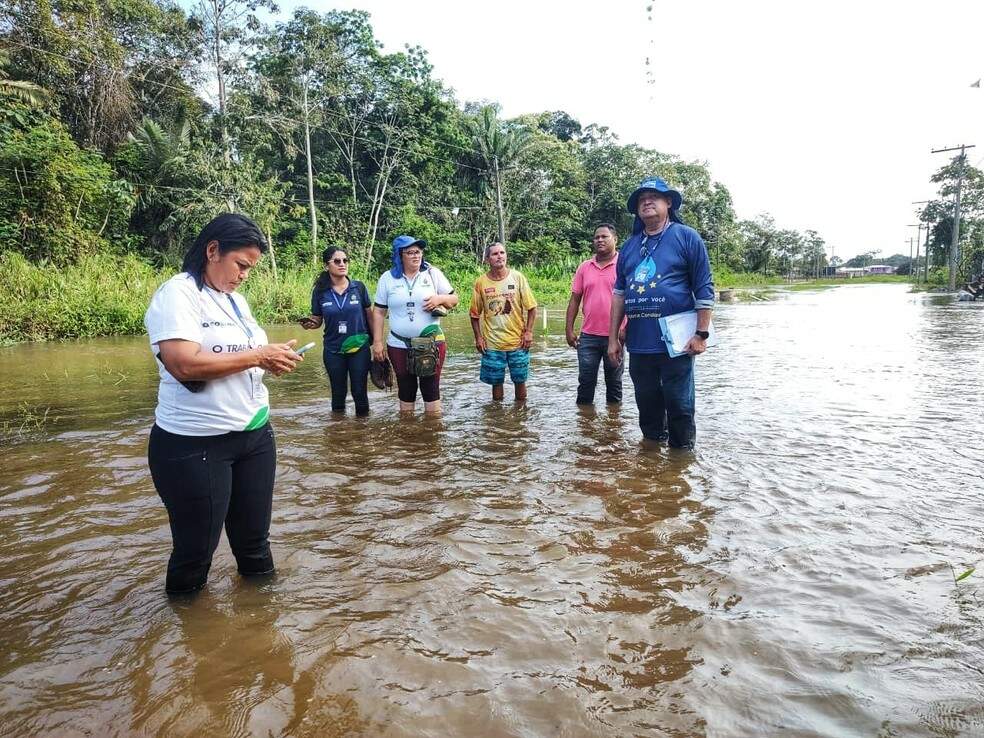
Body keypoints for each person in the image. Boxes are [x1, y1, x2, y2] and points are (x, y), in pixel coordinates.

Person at [144, 213, 303, 594]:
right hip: (196, 443)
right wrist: (258, 357)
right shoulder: (178, 294)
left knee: (255, 547)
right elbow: (183, 363)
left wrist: (270, 360)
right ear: (213, 250)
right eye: (241, 265)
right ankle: (186, 638)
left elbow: (240, 358)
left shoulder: (236, 302)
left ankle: (262, 628)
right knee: (195, 554)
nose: (244, 275)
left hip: (253, 437)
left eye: (250, 268)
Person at [607, 177, 715, 449]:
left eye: (654, 196)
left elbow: (704, 287)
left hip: (676, 344)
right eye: (642, 198)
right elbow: (620, 294)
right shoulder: (630, 246)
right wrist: (612, 340)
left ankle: (680, 465)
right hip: (640, 343)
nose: (647, 201)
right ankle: (652, 462)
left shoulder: (686, 237)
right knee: (647, 405)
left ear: (669, 202)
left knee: (679, 404)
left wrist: (701, 334)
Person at [371, 235, 458, 415]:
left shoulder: (433, 273)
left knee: (431, 388)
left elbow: (454, 299)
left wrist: (439, 298)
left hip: (431, 342)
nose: (416, 256)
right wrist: (377, 342)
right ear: (399, 255)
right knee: (405, 388)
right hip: (398, 343)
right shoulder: (387, 278)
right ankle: (408, 434)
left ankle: (432, 435)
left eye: (418, 252)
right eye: (410, 252)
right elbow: (379, 312)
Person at [300, 245, 373, 416]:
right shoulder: (320, 292)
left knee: (359, 392)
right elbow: (317, 319)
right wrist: (310, 323)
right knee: (338, 393)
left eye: (345, 260)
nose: (342, 264)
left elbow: (370, 316)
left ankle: (362, 432)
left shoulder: (359, 288)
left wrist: (376, 342)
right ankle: (337, 436)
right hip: (333, 349)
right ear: (327, 265)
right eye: (337, 261)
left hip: (359, 347)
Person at [469, 242, 538, 402]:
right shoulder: (481, 283)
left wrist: (528, 332)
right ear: (487, 259)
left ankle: (521, 417)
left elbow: (532, 307)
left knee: (520, 382)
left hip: (518, 342)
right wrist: (478, 337)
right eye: (495, 254)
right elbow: (474, 314)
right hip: (492, 344)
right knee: (496, 383)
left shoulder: (518, 277)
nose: (499, 256)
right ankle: (496, 420)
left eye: (502, 253)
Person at [565, 223, 625, 406]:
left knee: (614, 384)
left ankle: (613, 427)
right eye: (596, 237)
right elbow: (575, 300)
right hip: (588, 337)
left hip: (615, 336)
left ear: (615, 239)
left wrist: (625, 329)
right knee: (585, 383)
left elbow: (632, 299)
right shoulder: (585, 267)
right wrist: (569, 330)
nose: (599, 240)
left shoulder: (624, 264)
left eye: (604, 236)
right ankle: (584, 426)